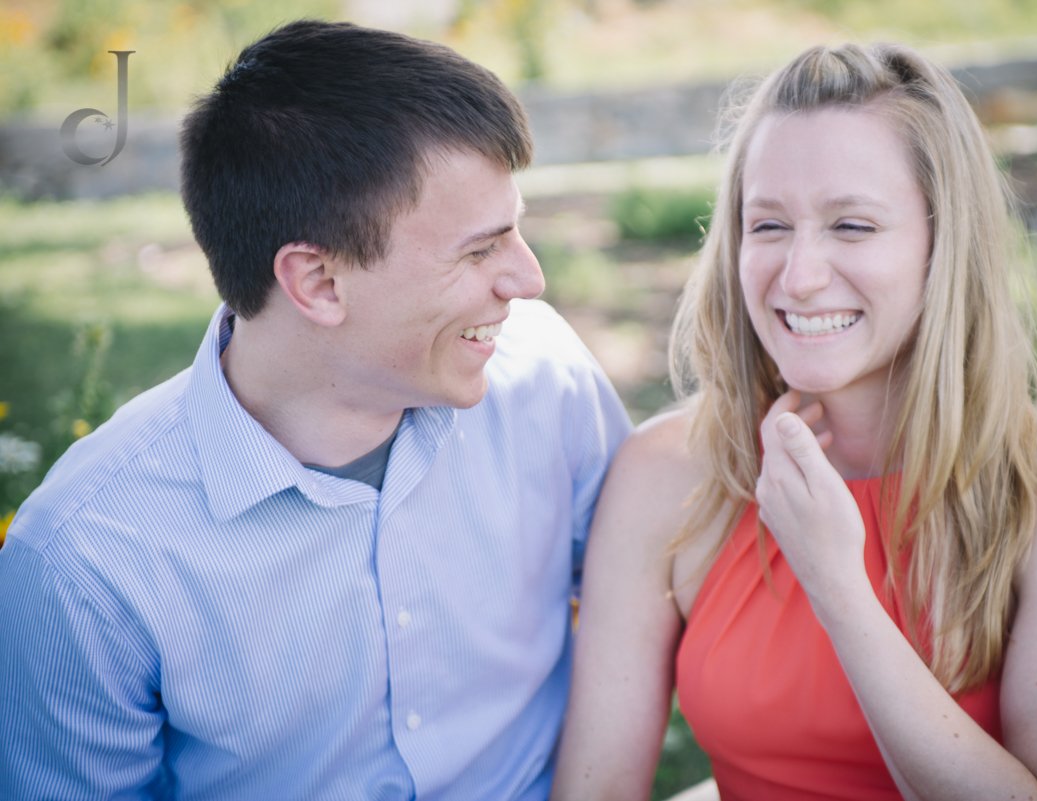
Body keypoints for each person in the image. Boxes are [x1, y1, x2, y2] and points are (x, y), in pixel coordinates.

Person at [0, 19, 630, 800]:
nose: (527, 280)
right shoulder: (87, 560)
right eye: (480, 250)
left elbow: (650, 592)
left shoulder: (544, 379)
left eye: (516, 233)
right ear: (319, 283)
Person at [552, 42, 1037, 801]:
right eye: (768, 226)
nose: (799, 277)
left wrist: (838, 583)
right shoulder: (666, 471)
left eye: (852, 227)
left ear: (945, 246)